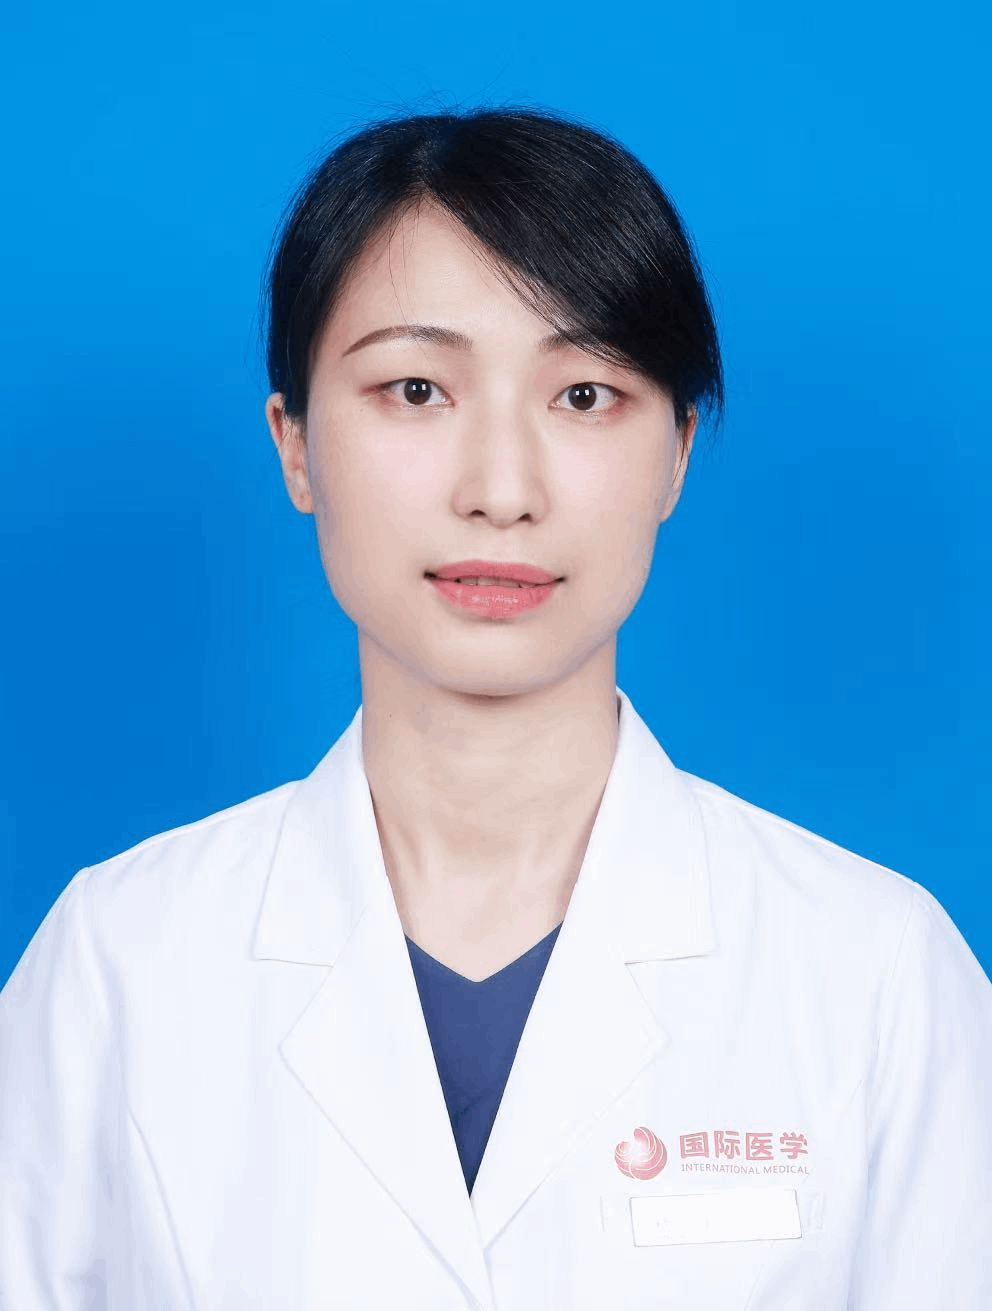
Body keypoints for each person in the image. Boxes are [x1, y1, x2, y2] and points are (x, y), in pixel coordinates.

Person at [1, 107, 989, 1311]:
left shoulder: (876, 976)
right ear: (295, 445)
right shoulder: (116, 965)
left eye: (584, 395)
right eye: (416, 389)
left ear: (676, 453)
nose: (502, 490)